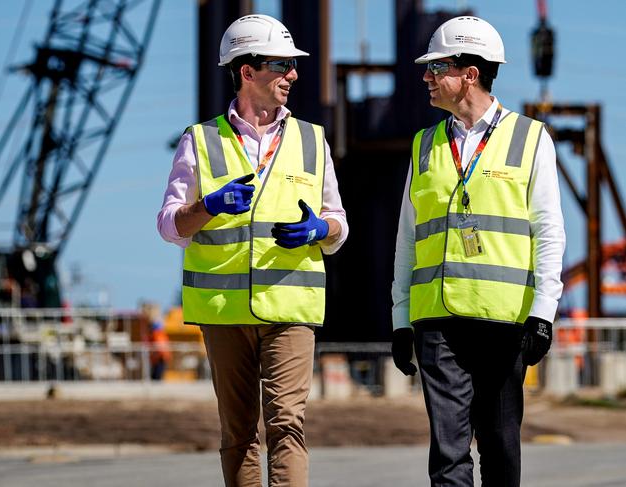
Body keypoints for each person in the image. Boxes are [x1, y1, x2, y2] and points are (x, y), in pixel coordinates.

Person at [157, 14, 348, 487]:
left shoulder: (312, 140)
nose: (293, 75)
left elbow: (340, 225)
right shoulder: (199, 141)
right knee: (239, 431)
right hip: (223, 312)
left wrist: (318, 228)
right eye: (282, 64)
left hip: (291, 305)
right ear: (247, 71)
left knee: (288, 422)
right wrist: (208, 206)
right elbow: (169, 225)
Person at [391, 16, 565, 487]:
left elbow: (549, 232)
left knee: (500, 444)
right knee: (447, 453)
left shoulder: (531, 139)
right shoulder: (423, 145)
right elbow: (408, 238)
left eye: (437, 67)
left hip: (503, 320)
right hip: (437, 320)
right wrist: (401, 318)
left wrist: (544, 312)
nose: (426, 77)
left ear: (470, 73)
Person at [141, 302, 171, 381]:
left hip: (159, 356)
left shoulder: (156, 329)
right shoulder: (155, 328)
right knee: (155, 377)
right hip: (157, 356)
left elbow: (159, 343)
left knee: (156, 378)